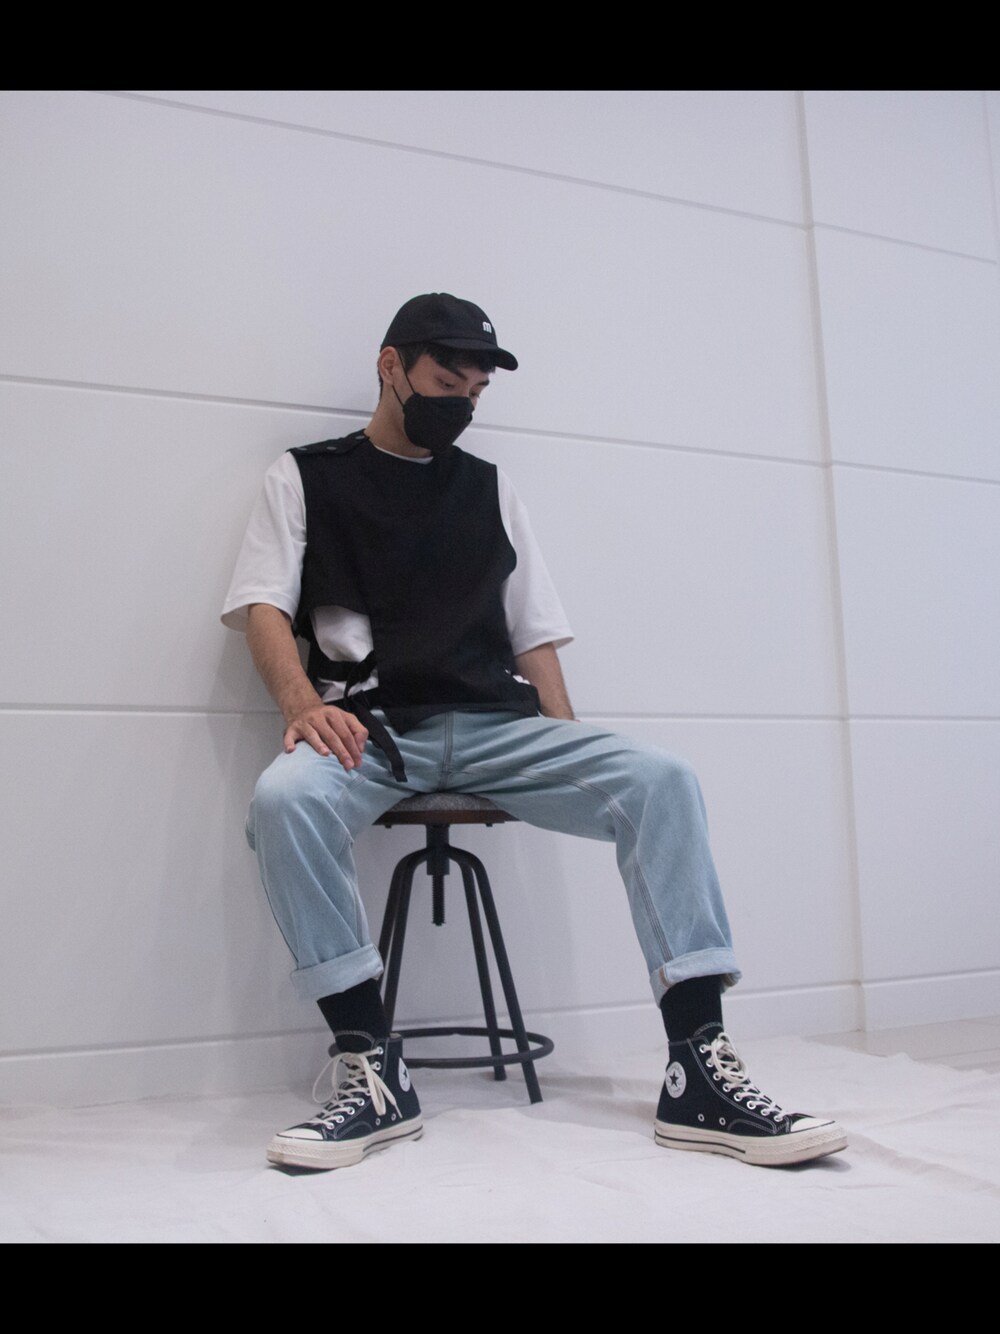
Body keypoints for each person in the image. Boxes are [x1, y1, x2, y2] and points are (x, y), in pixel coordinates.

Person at [221, 292, 847, 1172]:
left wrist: (567, 749)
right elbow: (260, 605)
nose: (463, 403)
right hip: (371, 730)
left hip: (493, 727)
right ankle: (369, 1066)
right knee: (283, 802)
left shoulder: (489, 488)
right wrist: (300, 707)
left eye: (476, 392)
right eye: (448, 382)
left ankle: (697, 1067)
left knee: (661, 778)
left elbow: (534, 635)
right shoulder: (305, 477)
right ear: (390, 367)